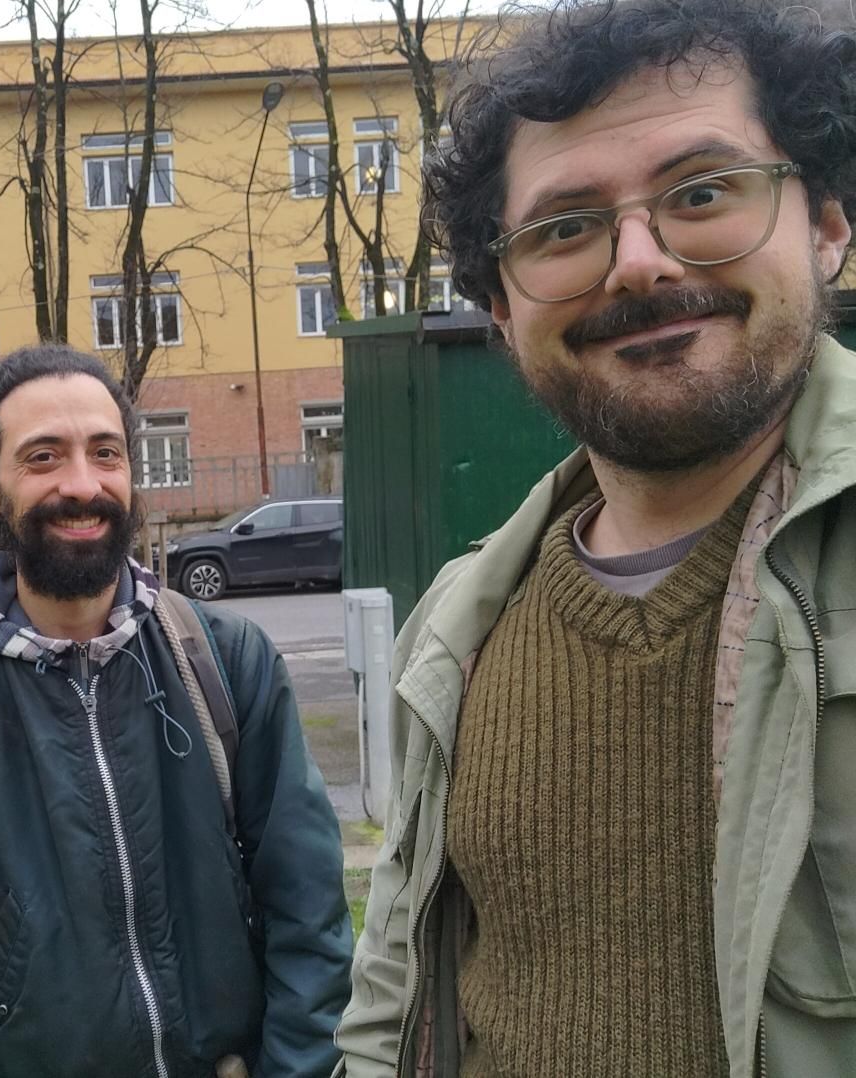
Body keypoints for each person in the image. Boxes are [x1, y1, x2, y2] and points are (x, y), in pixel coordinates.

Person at [337, 2, 856, 1076]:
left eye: (702, 192)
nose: (638, 262)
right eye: (565, 227)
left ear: (828, 224)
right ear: (498, 305)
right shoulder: (457, 630)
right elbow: (394, 1004)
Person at [0, 344, 351, 1077]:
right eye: (43, 457)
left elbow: (310, 913)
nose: (83, 484)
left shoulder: (227, 662)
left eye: (105, 453)